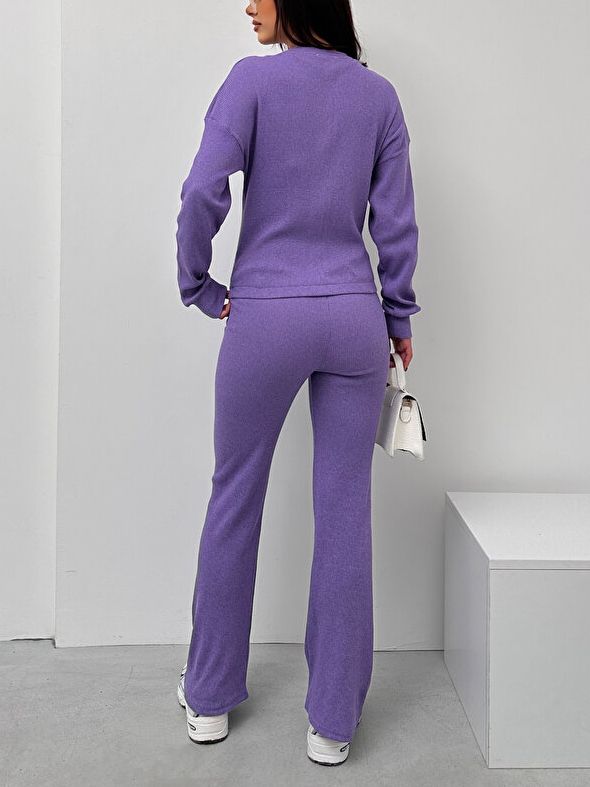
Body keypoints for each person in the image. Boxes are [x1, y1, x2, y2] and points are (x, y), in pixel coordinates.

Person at [174, 0, 421, 767]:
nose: (249, 5)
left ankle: (209, 698)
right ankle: (333, 721)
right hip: (352, 317)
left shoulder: (251, 83)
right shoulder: (377, 97)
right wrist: (398, 313)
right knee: (344, 510)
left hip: (264, 316)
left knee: (234, 496)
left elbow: (202, 190)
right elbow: (396, 223)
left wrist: (198, 283)